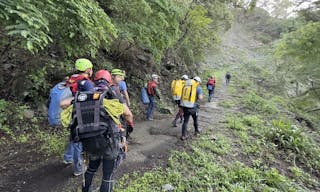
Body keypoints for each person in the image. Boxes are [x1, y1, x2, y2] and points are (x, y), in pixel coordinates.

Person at [60, 79, 134, 192]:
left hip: (91, 141)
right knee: (107, 175)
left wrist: (74, 100)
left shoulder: (84, 100)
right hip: (109, 141)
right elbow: (128, 115)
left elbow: (62, 104)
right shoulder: (108, 99)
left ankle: (86, 190)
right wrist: (127, 126)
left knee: (91, 169)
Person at [63, 58, 94, 176]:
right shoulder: (86, 83)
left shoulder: (73, 79)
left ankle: (67, 157)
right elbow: (92, 98)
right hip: (82, 113)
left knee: (73, 135)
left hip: (73, 111)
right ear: (87, 69)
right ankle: (78, 168)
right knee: (78, 140)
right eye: (91, 68)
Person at [180, 76, 203, 141]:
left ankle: (183, 136)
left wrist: (181, 107)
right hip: (193, 108)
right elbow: (200, 98)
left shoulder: (185, 86)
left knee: (185, 121)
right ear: (198, 82)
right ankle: (196, 131)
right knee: (195, 120)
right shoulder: (198, 88)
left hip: (185, 107)